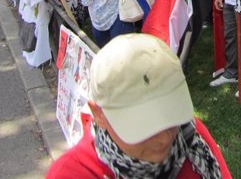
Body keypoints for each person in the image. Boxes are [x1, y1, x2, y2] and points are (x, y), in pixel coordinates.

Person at [46, 33, 231, 178]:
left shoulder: (192, 134)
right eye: (144, 125)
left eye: (170, 114)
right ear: (98, 114)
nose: (165, 138)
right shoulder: (72, 174)